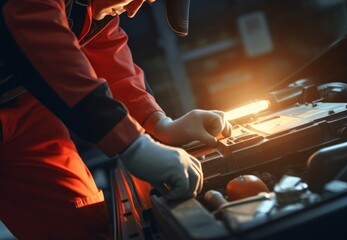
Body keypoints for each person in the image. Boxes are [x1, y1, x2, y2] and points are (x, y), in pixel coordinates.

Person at [0, 0, 232, 238]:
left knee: (84, 229)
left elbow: (105, 51)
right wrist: (133, 145)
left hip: (23, 112)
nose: (133, 11)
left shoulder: (92, 12)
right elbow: (38, 31)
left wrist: (159, 123)